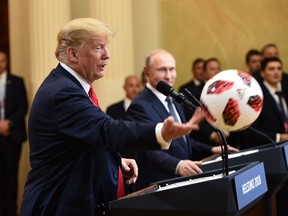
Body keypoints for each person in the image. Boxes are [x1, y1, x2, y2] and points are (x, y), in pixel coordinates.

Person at [20, 18, 205, 216]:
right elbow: (105, 129)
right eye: (99, 47)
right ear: (73, 54)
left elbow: (88, 137)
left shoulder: (72, 87)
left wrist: (116, 160)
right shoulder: (63, 92)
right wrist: (161, 132)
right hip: (58, 204)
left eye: (106, 47)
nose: (107, 55)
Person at [126, 49, 239, 191]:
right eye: (162, 70)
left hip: (183, 182)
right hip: (159, 185)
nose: (168, 76)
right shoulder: (139, 106)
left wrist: (212, 149)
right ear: (147, 71)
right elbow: (145, 150)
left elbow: (182, 141)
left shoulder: (175, 99)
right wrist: (177, 165)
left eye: (172, 69)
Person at [0, 50, 28, 216]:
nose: (0, 64)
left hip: (12, 136)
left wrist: (8, 124)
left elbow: (23, 106)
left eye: (2, 61)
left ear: (7, 62)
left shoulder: (17, 82)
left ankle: (11, 210)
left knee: (11, 175)